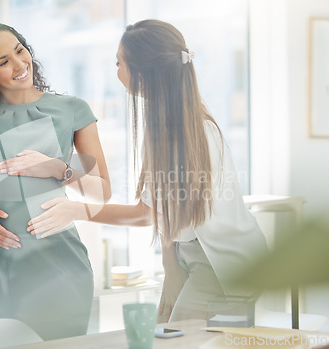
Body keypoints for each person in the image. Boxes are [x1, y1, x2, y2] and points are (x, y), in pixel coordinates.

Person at [27, 19, 268, 323]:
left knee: (173, 338)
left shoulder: (189, 134)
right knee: (162, 331)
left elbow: (147, 214)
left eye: (119, 62)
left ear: (143, 73)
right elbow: (170, 211)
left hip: (224, 264)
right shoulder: (173, 125)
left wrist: (77, 210)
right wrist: (170, 267)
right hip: (194, 256)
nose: (116, 71)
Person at [0, 22, 111, 340]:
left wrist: (56, 168)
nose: (20, 65)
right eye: (4, 61)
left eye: (20, 51)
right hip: (1, 268)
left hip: (62, 266)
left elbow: (101, 190)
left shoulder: (72, 110)